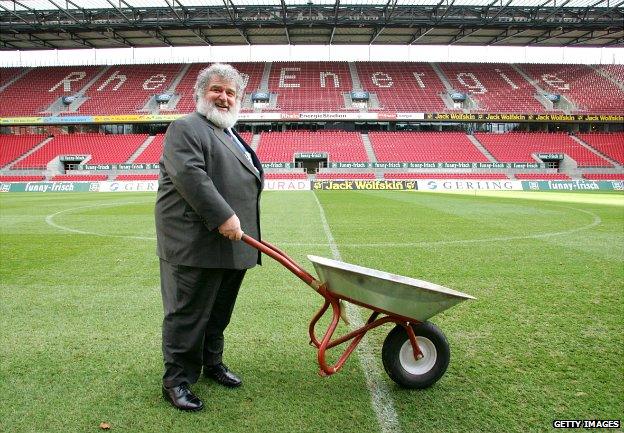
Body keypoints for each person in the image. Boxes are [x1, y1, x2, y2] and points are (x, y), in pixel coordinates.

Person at [155, 63, 263, 411]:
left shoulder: (228, 132)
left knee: (218, 313)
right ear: (200, 93)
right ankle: (177, 380)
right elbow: (191, 176)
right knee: (187, 315)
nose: (224, 97)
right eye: (217, 89)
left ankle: (211, 362)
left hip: (233, 244)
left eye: (231, 92)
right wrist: (224, 216)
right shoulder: (186, 127)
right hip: (196, 243)